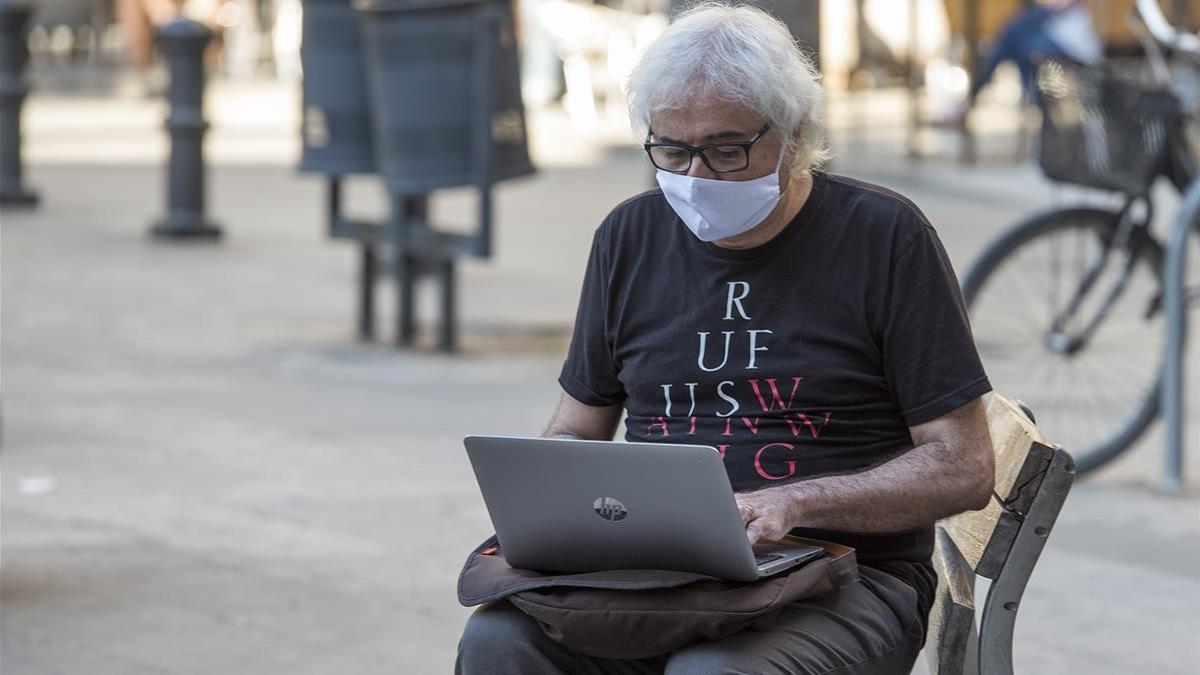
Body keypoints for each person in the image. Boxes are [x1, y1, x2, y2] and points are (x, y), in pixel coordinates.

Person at [456, 3, 996, 673]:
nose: (697, 177)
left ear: (793, 136)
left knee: (714, 672)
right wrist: (555, 495)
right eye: (673, 150)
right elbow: (577, 424)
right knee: (498, 644)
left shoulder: (885, 238)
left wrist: (793, 500)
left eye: (727, 150)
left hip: (846, 578)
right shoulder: (630, 236)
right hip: (657, 575)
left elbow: (964, 465)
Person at [942, 0, 1102, 126]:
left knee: (1015, 38)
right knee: (1016, 42)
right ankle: (1035, 107)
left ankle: (972, 100)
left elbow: (1061, 6)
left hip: (1071, 42)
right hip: (1050, 32)